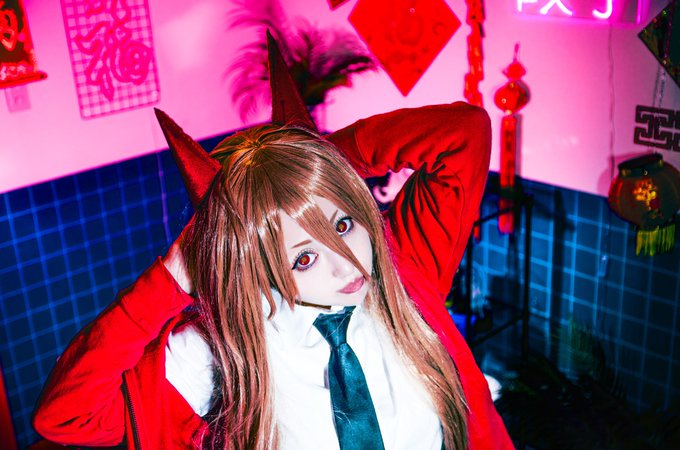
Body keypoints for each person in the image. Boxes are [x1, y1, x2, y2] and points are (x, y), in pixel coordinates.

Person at [33, 35, 512, 450]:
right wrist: (172, 277)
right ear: (257, 266)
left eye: (343, 225)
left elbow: (462, 133)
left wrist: (312, 168)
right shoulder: (222, 350)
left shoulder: (401, 271)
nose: (347, 266)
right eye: (304, 258)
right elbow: (67, 417)